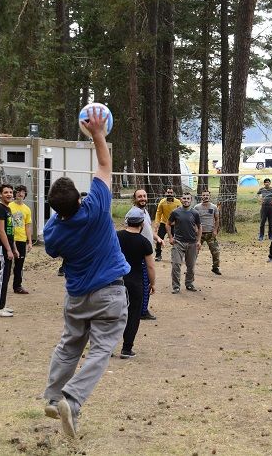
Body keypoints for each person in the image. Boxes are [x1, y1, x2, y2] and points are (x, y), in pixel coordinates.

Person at [42, 108, 130, 438]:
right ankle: (72, 399)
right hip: (109, 292)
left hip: (77, 296)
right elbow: (104, 165)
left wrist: (59, 214)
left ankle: (52, 397)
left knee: (69, 346)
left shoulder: (54, 231)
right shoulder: (94, 208)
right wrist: (98, 135)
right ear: (80, 198)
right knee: (101, 349)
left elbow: (52, 241)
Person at [117, 207, 156, 359]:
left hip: (117, 280)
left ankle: (106, 347)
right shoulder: (144, 242)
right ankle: (127, 349)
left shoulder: (116, 236)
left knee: (113, 313)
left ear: (127, 222)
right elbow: (150, 266)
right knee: (133, 314)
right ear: (141, 224)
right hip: (136, 282)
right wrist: (152, 284)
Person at [127, 189, 162, 320]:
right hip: (139, 252)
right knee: (144, 281)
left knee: (143, 281)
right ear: (134, 199)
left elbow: (147, 229)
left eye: (144, 196)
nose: (142, 198)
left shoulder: (144, 211)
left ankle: (140, 308)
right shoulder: (134, 213)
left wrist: (157, 238)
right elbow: (129, 229)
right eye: (139, 196)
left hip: (146, 249)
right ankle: (142, 311)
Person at [0, 184, 19, 317]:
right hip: (0, 247)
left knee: (5, 276)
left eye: (10, 192)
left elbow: (10, 231)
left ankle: (1, 304)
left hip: (7, 247)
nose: (9, 194)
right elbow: (1, 231)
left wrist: (14, 249)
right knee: (2, 276)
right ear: (0, 194)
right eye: (6, 192)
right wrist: (8, 249)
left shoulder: (8, 210)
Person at [167, 192, 202, 294]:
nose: (186, 200)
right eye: (184, 198)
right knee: (176, 264)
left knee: (191, 266)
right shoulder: (175, 212)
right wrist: (170, 237)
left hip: (192, 243)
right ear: (181, 199)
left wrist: (199, 241)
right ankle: (176, 286)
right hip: (178, 242)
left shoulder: (195, 213)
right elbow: (168, 224)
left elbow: (200, 227)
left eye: (188, 198)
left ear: (191, 200)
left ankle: (189, 284)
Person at [9, 184, 33, 295]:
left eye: (23, 192)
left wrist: (30, 241)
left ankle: (17, 286)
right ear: (15, 193)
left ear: (25, 195)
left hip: (21, 240)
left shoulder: (27, 209)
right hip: (9, 239)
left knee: (19, 265)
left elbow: (27, 226)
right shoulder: (9, 206)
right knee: (6, 264)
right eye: (18, 191)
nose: (20, 193)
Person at [194, 189, 222, 275]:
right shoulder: (196, 207)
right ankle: (190, 268)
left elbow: (217, 219)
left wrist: (215, 230)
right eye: (204, 195)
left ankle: (215, 267)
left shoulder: (213, 207)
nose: (205, 197)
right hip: (199, 234)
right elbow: (193, 220)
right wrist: (195, 229)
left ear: (209, 196)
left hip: (210, 233)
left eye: (207, 195)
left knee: (216, 251)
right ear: (201, 196)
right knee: (194, 251)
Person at [154, 188, 180, 262]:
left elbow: (181, 212)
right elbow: (158, 213)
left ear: (173, 193)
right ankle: (158, 255)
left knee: (177, 240)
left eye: (171, 192)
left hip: (174, 224)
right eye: (168, 192)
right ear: (165, 193)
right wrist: (157, 222)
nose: (169, 194)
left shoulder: (178, 202)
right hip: (164, 223)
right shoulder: (162, 202)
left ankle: (176, 256)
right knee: (159, 239)